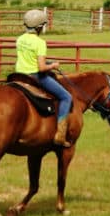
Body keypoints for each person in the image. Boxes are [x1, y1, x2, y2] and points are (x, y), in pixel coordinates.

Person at [15, 9, 73, 147]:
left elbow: (29, 58)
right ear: (39, 27)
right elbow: (41, 68)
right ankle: (60, 135)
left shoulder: (20, 39)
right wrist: (53, 65)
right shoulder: (40, 43)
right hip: (35, 76)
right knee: (66, 97)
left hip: (19, 75)